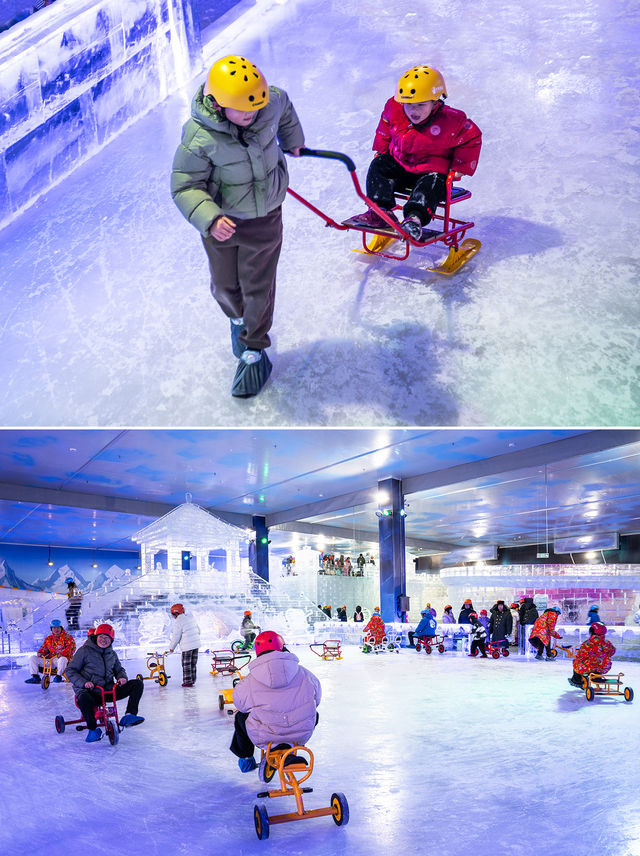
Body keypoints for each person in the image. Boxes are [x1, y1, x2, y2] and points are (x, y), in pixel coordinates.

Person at [171, 55, 305, 398]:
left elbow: (283, 105)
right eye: (244, 111)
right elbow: (185, 185)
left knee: (257, 288)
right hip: (222, 225)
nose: (252, 116)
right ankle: (237, 320)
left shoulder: (267, 104)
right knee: (224, 287)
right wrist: (211, 218)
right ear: (217, 103)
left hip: (265, 219)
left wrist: (292, 139)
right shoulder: (199, 136)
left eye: (257, 109)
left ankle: (253, 350)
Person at [351, 65, 481, 240]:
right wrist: (381, 149)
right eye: (409, 105)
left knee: (431, 184)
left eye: (421, 105)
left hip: (431, 172)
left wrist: (460, 167)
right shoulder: (394, 108)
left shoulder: (452, 120)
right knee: (379, 164)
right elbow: (385, 124)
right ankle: (380, 212)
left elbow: (471, 138)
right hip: (401, 165)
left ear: (435, 102)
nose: (414, 111)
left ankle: (414, 219)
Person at [231, 631, 322, 771]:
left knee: (241, 716)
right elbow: (317, 699)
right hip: (301, 735)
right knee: (313, 711)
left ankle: (246, 758)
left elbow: (240, 705)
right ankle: (293, 745)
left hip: (265, 736)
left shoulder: (249, 681)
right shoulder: (306, 674)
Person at [66, 623, 144, 742]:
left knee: (137, 684)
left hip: (108, 690)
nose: (103, 640)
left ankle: (129, 715)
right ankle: (93, 730)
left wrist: (122, 677)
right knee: (84, 698)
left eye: (107, 637)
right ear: (96, 637)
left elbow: (119, 669)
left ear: (111, 640)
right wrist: (84, 683)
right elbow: (70, 670)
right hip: (90, 691)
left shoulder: (111, 654)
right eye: (101, 637)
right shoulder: (84, 651)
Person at [25, 619, 76, 683]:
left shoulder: (68, 638)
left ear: (61, 628)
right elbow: (44, 648)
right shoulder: (48, 639)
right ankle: (35, 677)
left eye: (58, 628)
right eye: (54, 628)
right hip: (50, 660)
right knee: (33, 658)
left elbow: (71, 648)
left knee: (63, 659)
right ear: (51, 629)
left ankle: (58, 676)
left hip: (60, 661)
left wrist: (62, 654)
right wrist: (41, 652)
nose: (56, 630)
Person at [568, 623, 616, 688]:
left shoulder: (588, 643)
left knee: (576, 662)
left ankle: (576, 680)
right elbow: (612, 651)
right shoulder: (607, 643)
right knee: (598, 664)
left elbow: (581, 656)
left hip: (589, 667)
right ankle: (597, 675)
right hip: (604, 667)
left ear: (591, 632)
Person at [168, 603, 202, 687]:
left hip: (187, 647)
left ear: (174, 614)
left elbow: (176, 636)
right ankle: (193, 680)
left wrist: (171, 648)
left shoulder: (178, 622)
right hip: (196, 645)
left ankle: (187, 682)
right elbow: (199, 631)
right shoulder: (191, 619)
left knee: (186, 664)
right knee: (193, 663)